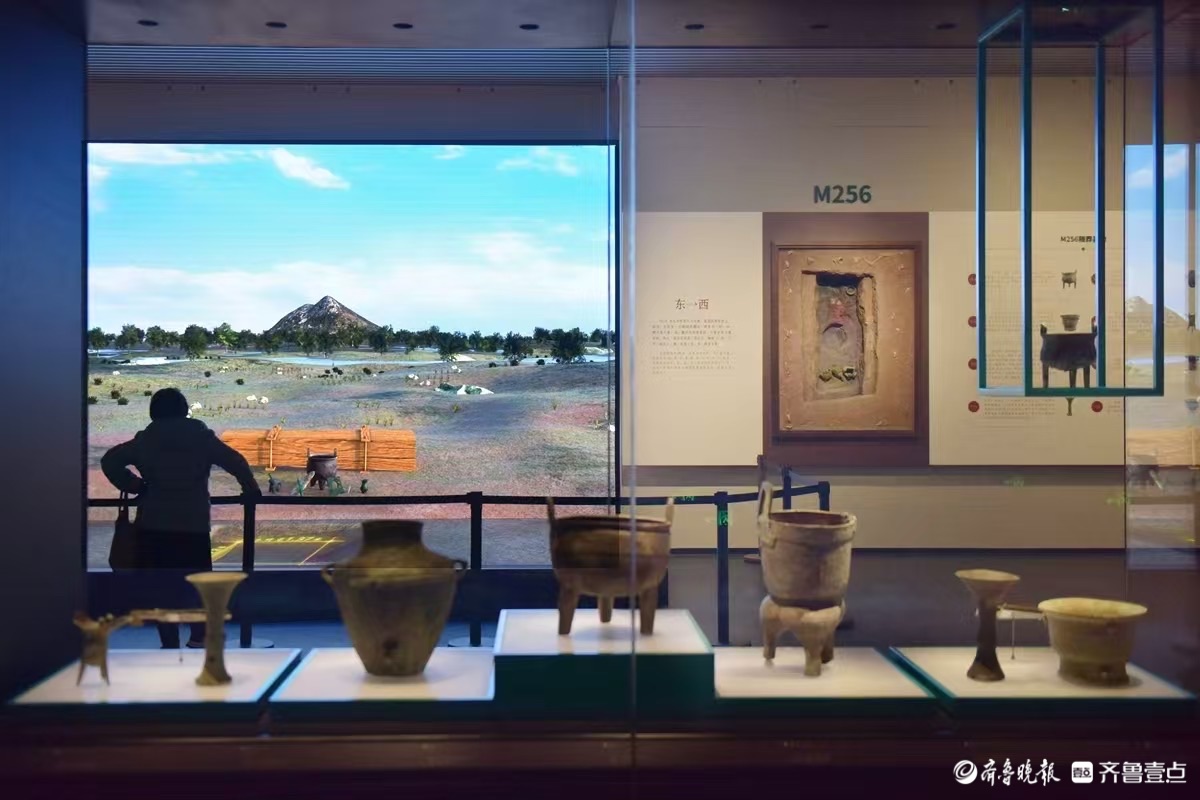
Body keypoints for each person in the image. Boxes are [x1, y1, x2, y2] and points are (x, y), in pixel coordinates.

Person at [101, 388, 261, 648]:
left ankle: (169, 643)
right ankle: (199, 637)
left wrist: (135, 485)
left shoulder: (145, 440)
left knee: (162, 588)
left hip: (154, 524)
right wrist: (250, 488)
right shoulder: (201, 437)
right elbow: (236, 462)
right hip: (193, 522)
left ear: (153, 412)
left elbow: (110, 461)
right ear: (185, 409)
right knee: (198, 585)